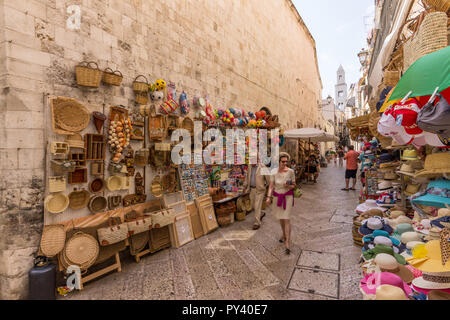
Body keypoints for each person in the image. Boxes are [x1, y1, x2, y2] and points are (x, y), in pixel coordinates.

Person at [266, 152, 296, 255]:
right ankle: (283, 233)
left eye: (286, 162)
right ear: (279, 162)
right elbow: (271, 186)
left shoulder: (291, 171)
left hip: (287, 196)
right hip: (277, 197)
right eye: (283, 161)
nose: (285, 163)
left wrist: (288, 186)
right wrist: (268, 197)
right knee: (281, 218)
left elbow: (294, 185)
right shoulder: (273, 172)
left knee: (286, 218)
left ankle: (287, 241)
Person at [243, 160, 269, 230]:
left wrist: (265, 186)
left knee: (257, 206)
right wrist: (244, 186)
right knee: (253, 206)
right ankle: (261, 213)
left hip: (259, 190)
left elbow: (268, 178)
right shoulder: (249, 166)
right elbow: (247, 177)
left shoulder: (262, 166)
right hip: (251, 189)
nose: (251, 163)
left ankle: (257, 223)